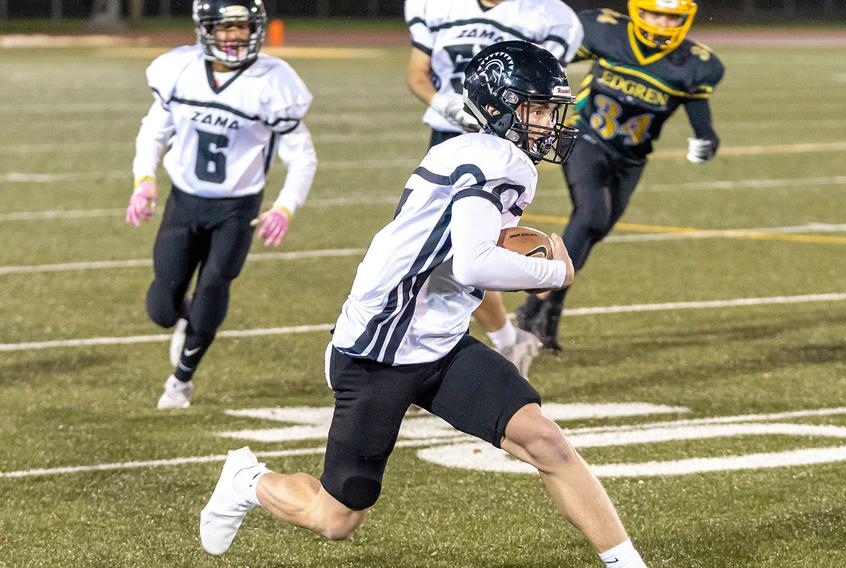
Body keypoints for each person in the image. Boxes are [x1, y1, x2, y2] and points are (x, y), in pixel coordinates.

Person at [199, 41, 649, 568]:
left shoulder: (475, 151)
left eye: (553, 108)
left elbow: (463, 256)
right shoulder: (496, 159)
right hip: (379, 350)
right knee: (336, 518)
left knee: (546, 443)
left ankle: (626, 564)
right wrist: (554, 271)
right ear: (501, 105)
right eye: (538, 108)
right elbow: (474, 264)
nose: (550, 122)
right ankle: (248, 480)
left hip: (436, 341)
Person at [126, 0, 317, 409]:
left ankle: (180, 383)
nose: (233, 36)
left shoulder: (273, 80)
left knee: (214, 287)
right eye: (223, 27)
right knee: (161, 308)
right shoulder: (179, 70)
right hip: (184, 202)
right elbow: (153, 131)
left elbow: (302, 156)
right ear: (205, 30)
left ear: (255, 29)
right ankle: (185, 321)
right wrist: (143, 180)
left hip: (237, 209)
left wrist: (285, 206)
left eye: (241, 27)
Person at [517, 0, 724, 351]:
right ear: (637, 10)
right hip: (585, 138)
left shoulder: (695, 65)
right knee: (590, 216)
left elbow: (701, 119)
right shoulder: (605, 31)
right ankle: (532, 308)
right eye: (656, 13)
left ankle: (551, 310)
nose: (661, 22)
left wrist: (706, 140)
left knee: (592, 233)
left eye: (671, 16)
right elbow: (550, 62)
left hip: (631, 158)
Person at [404, 0, 583, 376]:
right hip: (451, 138)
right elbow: (417, 74)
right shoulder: (434, 6)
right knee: (442, 250)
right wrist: (445, 104)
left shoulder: (548, 14)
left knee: (475, 247)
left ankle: (477, 345)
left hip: (510, 142)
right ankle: (484, 344)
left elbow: (544, 91)